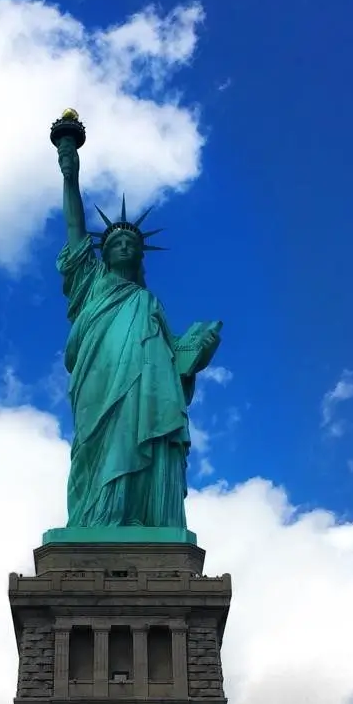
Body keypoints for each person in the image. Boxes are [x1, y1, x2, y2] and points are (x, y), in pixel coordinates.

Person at [53, 129, 222, 530]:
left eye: (132, 242)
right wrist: (69, 173)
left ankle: (139, 515)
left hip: (145, 387)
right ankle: (97, 519)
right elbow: (76, 228)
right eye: (116, 242)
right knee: (96, 444)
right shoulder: (90, 285)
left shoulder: (148, 303)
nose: (124, 246)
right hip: (99, 378)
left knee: (138, 433)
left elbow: (172, 358)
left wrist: (196, 350)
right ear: (104, 252)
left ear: (141, 255)